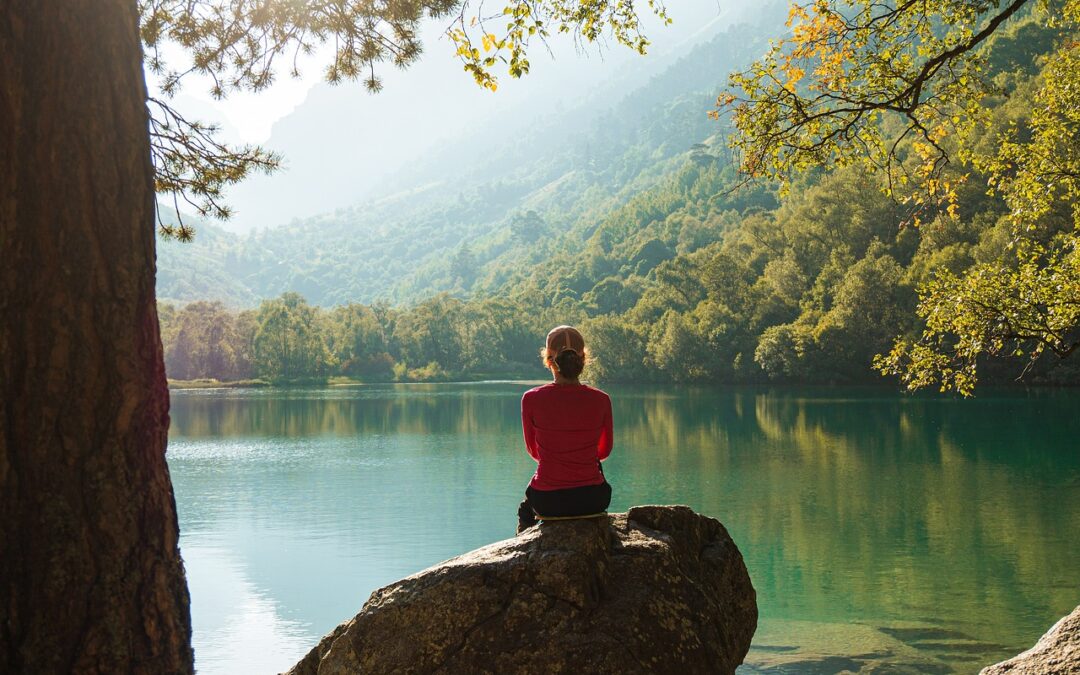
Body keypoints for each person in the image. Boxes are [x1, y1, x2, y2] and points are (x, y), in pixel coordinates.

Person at [517, 325, 613, 534]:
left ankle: (521, 546)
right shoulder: (602, 399)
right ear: (583, 359)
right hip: (593, 500)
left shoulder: (531, 399)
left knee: (526, 509)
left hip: (547, 501)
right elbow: (603, 452)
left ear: (549, 360)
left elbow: (535, 453)